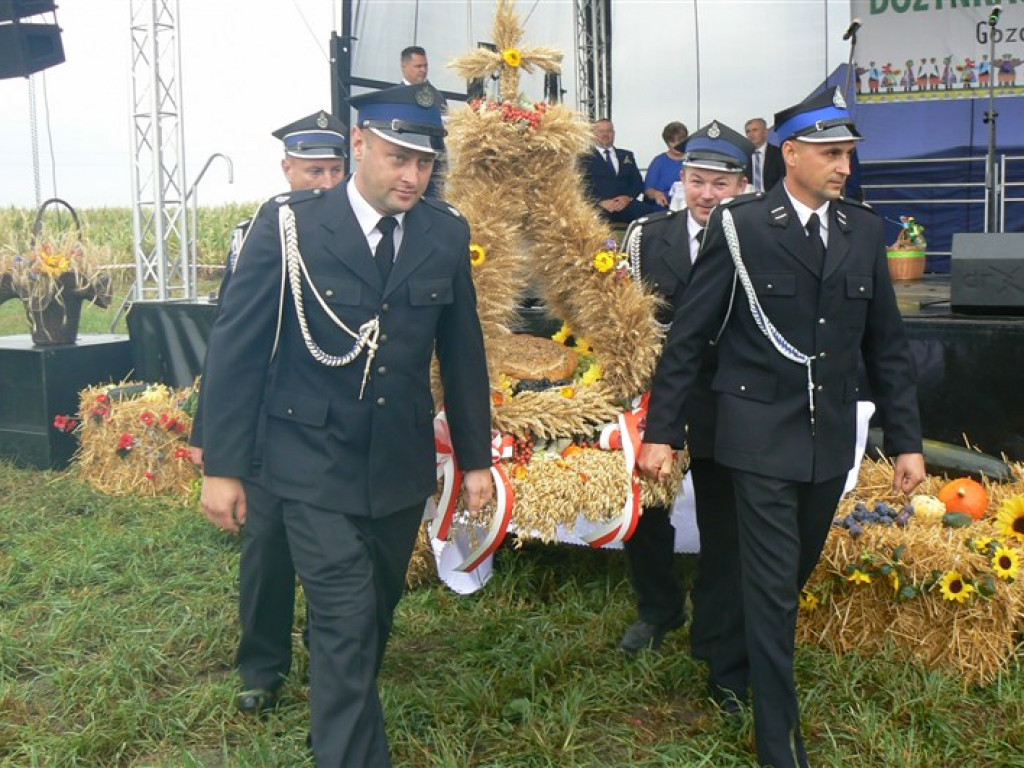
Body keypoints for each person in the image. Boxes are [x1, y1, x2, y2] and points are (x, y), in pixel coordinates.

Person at [197, 83, 494, 767]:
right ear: (359, 146)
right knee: (346, 617)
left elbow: (463, 352)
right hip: (307, 459)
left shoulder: (444, 231)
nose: (413, 176)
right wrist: (222, 465)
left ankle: (334, 714)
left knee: (373, 615)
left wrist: (475, 459)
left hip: (396, 464)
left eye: (425, 163)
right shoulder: (291, 225)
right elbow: (237, 351)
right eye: (398, 158)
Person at [638, 87, 926, 768]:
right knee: (769, 590)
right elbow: (689, 337)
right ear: (790, 154)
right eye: (831, 154)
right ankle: (778, 742)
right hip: (755, 434)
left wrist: (908, 439)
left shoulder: (861, 229)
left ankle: (731, 668)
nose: (844, 167)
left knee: (786, 577)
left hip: (826, 440)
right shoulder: (741, 225)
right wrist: (663, 429)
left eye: (849, 154)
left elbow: (886, 344)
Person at [189, 109, 347, 717]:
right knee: (268, 549)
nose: (325, 183)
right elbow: (232, 342)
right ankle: (263, 666)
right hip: (270, 422)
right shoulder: (267, 228)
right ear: (287, 169)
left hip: (335, 421)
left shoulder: (364, 230)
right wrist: (212, 438)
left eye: (335, 170)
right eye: (313, 171)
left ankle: (338, 651)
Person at [619, 121, 751, 715]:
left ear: (743, 185)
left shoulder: (759, 238)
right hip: (661, 396)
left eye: (720, 184)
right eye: (697, 181)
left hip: (728, 398)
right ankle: (659, 608)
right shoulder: (646, 237)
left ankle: (717, 634)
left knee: (726, 524)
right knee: (647, 512)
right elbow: (623, 313)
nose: (706, 195)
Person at [580, 118, 656, 225]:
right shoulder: (584, 158)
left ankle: (637, 241)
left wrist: (627, 198)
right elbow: (581, 186)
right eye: (601, 131)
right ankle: (611, 243)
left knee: (649, 214)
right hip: (600, 207)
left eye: (609, 131)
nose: (605, 135)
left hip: (625, 204)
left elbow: (637, 183)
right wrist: (600, 202)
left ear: (614, 134)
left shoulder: (626, 155)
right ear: (593, 134)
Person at [642, 121, 689, 210]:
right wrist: (656, 194)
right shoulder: (658, 161)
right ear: (667, 142)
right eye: (673, 141)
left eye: (680, 141)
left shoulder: (693, 160)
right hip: (663, 206)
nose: (677, 145)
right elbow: (648, 190)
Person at [743, 117, 784, 194]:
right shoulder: (743, 156)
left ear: (765, 132)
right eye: (748, 132)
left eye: (755, 130)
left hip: (773, 198)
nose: (751, 134)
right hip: (749, 200)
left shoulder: (779, 154)